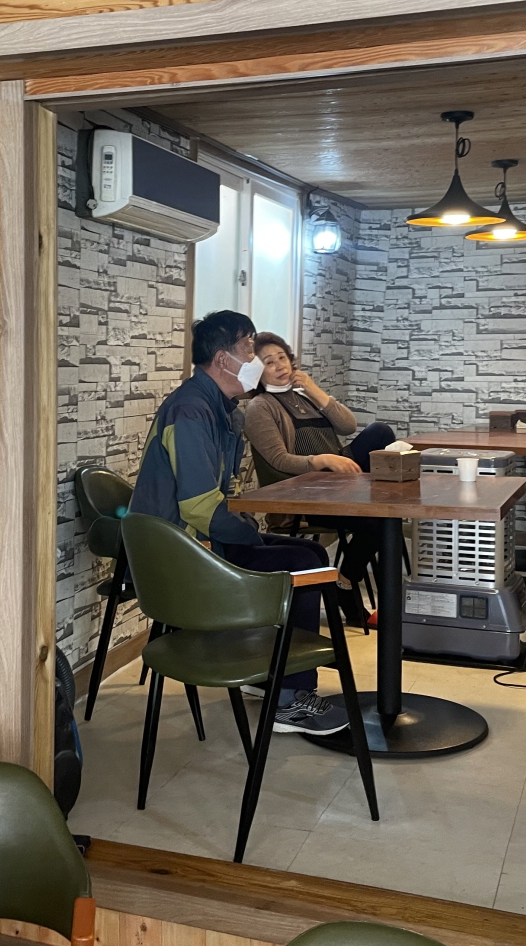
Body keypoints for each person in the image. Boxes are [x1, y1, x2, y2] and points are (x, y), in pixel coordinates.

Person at [129, 310, 348, 734]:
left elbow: (220, 496)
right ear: (222, 359)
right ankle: (288, 700)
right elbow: (199, 506)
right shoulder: (191, 411)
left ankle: (275, 678)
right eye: (248, 349)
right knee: (303, 565)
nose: (255, 360)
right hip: (183, 555)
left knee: (310, 552)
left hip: (200, 541)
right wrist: (250, 535)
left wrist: (249, 531)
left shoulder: (221, 408)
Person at [241, 332, 395, 623]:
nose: (279, 365)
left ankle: (352, 573)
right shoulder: (260, 407)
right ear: (258, 373)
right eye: (269, 362)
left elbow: (347, 426)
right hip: (306, 491)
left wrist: (314, 390)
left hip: (338, 479)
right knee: (379, 520)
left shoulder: (304, 395)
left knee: (380, 432)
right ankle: (345, 584)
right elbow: (279, 460)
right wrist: (322, 460)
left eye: (282, 358)